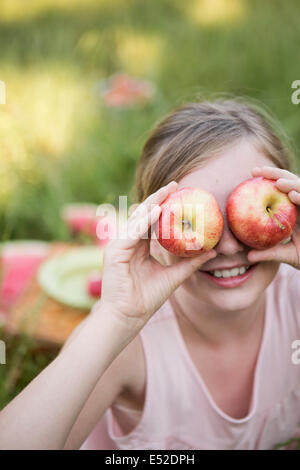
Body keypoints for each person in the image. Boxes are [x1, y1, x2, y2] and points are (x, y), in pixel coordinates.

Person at [1, 98, 300, 450]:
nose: (228, 247)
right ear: (151, 228)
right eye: (205, 221)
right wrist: (116, 317)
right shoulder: (130, 345)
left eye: (240, 218)